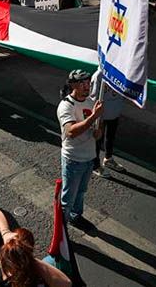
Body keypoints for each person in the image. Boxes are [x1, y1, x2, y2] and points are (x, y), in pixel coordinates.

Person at [56, 69, 103, 229]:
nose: (86, 86)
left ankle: (76, 216)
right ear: (73, 85)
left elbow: (97, 131)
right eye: (82, 83)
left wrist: (98, 132)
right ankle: (61, 230)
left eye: (88, 83)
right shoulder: (66, 106)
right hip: (73, 159)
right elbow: (70, 132)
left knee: (81, 192)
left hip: (89, 158)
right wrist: (93, 117)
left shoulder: (91, 102)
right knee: (68, 197)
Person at [0, 209, 72, 287]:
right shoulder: (34, 278)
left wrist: (5, 232)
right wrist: (30, 259)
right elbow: (66, 283)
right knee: (51, 260)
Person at [89, 70, 125, 177]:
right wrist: (96, 116)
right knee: (97, 140)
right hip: (102, 114)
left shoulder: (123, 72)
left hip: (115, 111)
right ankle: (95, 165)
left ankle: (108, 158)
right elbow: (94, 97)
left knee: (111, 137)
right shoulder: (99, 75)